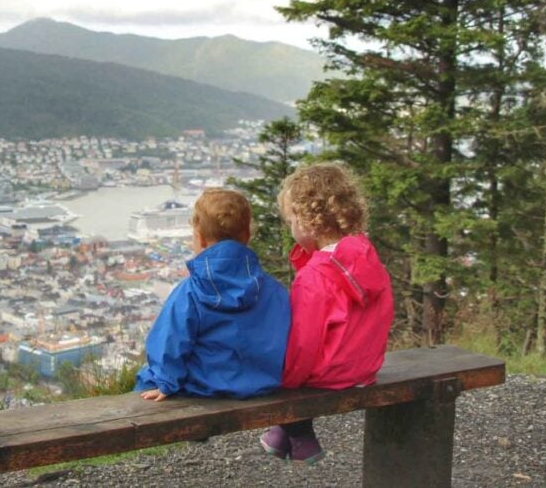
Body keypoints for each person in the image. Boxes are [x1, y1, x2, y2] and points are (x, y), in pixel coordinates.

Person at [260, 162, 394, 464]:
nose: (290, 228)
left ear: (308, 222)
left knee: (276, 370)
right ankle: (285, 436)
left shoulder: (315, 277)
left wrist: (286, 381)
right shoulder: (365, 255)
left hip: (329, 374)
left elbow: (303, 344)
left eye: (291, 220)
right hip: (365, 369)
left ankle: (297, 435)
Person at [135, 188, 290, 401]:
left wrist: (166, 383)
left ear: (200, 239)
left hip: (204, 386)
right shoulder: (273, 289)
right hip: (263, 382)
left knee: (145, 381)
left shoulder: (190, 291)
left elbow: (169, 343)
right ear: (246, 235)